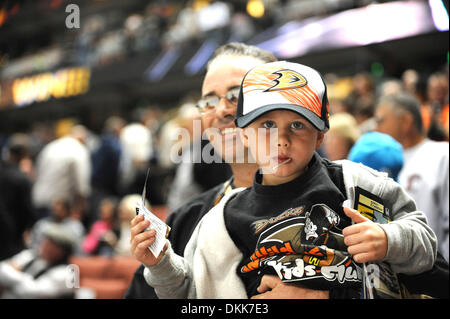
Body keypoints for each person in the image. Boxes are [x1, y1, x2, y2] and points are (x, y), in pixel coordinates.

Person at [131, 61, 437, 299]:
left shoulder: (355, 182)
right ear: (244, 136)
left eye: (296, 124)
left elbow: (427, 247)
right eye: (266, 124)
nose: (281, 140)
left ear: (320, 135)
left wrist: (389, 240)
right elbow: (191, 293)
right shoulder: (218, 221)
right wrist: (161, 264)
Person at [125, 42, 281, 299]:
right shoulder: (186, 220)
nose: (221, 110)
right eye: (209, 100)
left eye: (236, 95)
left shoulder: (334, 197)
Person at [375, 92, 449, 261]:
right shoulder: (380, 158)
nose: (376, 128)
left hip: (434, 269)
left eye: (381, 120)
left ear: (406, 121)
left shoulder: (442, 154)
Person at [0, 223, 76, 298]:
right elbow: (1, 268)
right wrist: (26, 281)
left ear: (61, 251)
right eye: (45, 241)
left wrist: (13, 276)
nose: (44, 245)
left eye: (50, 244)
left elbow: (29, 292)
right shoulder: (30, 255)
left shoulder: (66, 273)